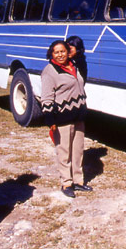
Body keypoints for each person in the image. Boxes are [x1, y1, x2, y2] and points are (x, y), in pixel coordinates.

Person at [41, 40, 91, 198]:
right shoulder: (49, 71)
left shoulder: (74, 66)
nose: (60, 54)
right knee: (64, 152)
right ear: (51, 54)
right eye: (56, 52)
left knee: (78, 151)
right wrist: (50, 120)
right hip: (62, 118)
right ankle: (66, 182)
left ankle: (78, 180)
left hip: (78, 116)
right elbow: (47, 98)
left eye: (63, 51)